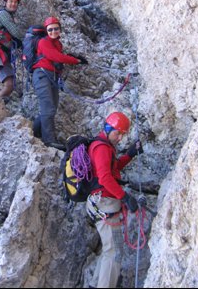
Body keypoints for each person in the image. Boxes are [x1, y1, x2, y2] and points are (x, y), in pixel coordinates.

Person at [86, 111, 143, 289]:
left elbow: (113, 167)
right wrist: (125, 197)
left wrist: (130, 154)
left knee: (109, 249)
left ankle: (95, 284)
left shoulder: (105, 146)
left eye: (122, 135)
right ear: (107, 128)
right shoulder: (101, 147)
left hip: (101, 202)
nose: (119, 138)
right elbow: (104, 178)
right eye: (117, 133)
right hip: (105, 203)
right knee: (114, 251)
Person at [32, 16, 88, 150]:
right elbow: (55, 57)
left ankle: (35, 130)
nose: (53, 32)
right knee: (49, 108)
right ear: (46, 31)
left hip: (52, 76)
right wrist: (76, 61)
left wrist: (74, 58)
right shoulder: (43, 42)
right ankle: (49, 140)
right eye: (50, 29)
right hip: (41, 75)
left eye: (56, 29)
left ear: (60, 29)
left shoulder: (58, 44)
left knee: (52, 107)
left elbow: (58, 58)